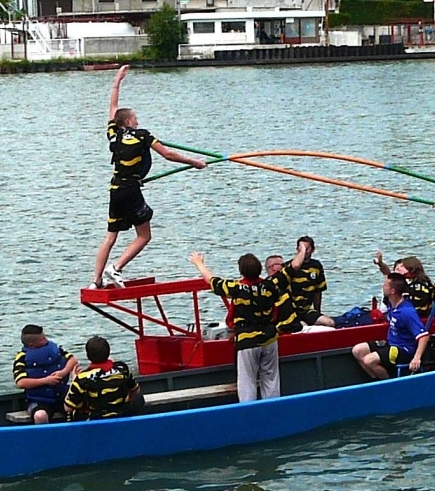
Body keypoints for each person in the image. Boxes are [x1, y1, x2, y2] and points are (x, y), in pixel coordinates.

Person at [90, 65, 207, 290]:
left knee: (110, 237)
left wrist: (117, 82)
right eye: (135, 118)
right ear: (128, 122)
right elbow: (168, 154)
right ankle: (115, 268)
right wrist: (195, 162)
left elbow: (112, 108)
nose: (138, 121)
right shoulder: (144, 136)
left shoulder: (113, 133)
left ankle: (96, 281)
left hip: (115, 189)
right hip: (131, 191)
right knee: (144, 235)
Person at [190, 251, 284, 402]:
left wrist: (199, 263)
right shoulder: (270, 285)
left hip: (247, 340)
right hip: (270, 338)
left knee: (247, 383)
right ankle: (274, 411)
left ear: (241, 271)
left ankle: (248, 414)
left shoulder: (237, 288)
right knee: (271, 379)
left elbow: (211, 280)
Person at [352, 273, 430, 380]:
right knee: (358, 350)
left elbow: (424, 336)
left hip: (403, 349)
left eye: (385, 285)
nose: (382, 286)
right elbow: (389, 274)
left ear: (393, 291)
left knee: (369, 360)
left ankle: (388, 383)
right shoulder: (391, 304)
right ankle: (376, 378)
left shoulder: (407, 312)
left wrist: (416, 358)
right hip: (390, 343)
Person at [64, 336, 144, 421]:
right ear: (108, 353)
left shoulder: (82, 378)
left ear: (88, 356)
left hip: (96, 419)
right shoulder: (122, 368)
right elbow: (136, 391)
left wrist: (74, 380)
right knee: (139, 398)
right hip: (122, 414)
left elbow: (68, 408)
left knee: (74, 411)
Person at [12, 324, 79, 424]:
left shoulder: (54, 349)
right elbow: (21, 382)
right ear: (31, 344)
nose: (46, 340)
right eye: (42, 339)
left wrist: (63, 372)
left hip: (62, 394)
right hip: (39, 399)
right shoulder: (22, 358)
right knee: (40, 416)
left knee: (80, 406)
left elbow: (73, 360)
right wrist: (46, 381)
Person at [286, 236, 334, 327]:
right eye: (302, 248)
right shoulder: (290, 267)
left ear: (312, 250)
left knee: (329, 323)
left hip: (307, 310)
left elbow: (318, 291)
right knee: (303, 326)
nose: (305, 251)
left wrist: (318, 311)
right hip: (292, 312)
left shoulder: (316, 266)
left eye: (307, 248)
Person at [373, 252, 433, 318]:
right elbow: (387, 273)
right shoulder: (409, 282)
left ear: (411, 268)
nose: (399, 268)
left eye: (402, 266)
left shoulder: (419, 286)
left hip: (413, 318)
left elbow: (415, 310)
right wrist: (380, 263)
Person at [265, 248, 305, 334]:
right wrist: (303, 249)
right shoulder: (279, 279)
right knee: (328, 328)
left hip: (277, 327)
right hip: (288, 328)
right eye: (282, 265)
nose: (284, 267)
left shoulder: (263, 285)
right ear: (273, 267)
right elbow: (295, 266)